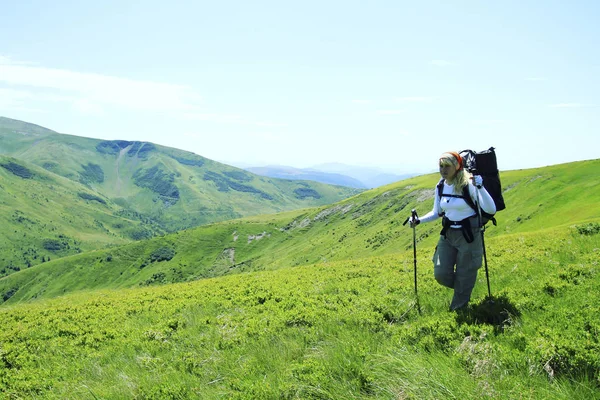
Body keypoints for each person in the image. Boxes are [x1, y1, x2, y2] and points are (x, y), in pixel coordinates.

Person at [408, 151, 496, 310]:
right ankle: (464, 286)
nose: (443, 169)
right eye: (441, 166)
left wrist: (481, 187)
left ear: (457, 166)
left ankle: (458, 310)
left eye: (447, 166)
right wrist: (419, 220)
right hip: (448, 235)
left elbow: (490, 208)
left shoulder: (469, 184)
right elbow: (437, 212)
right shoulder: (441, 185)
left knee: (465, 273)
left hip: (469, 236)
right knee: (440, 273)